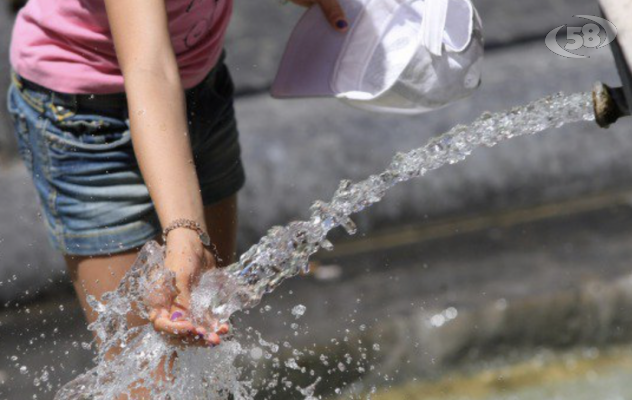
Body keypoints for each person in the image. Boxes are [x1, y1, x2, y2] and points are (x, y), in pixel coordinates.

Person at [7, 0, 347, 357]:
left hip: (201, 87)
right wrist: (186, 233)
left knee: (204, 343)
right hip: (88, 121)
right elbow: (148, 68)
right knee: (143, 377)